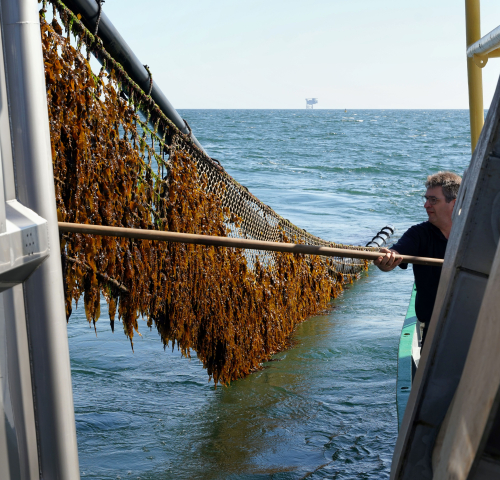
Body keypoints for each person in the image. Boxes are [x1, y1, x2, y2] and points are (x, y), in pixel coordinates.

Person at [374, 171, 462, 345]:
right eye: (426, 199)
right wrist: (386, 260)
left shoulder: (474, 232)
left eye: (433, 200)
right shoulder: (418, 233)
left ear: (455, 203)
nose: (426, 205)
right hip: (435, 326)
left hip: (474, 320)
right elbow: (394, 257)